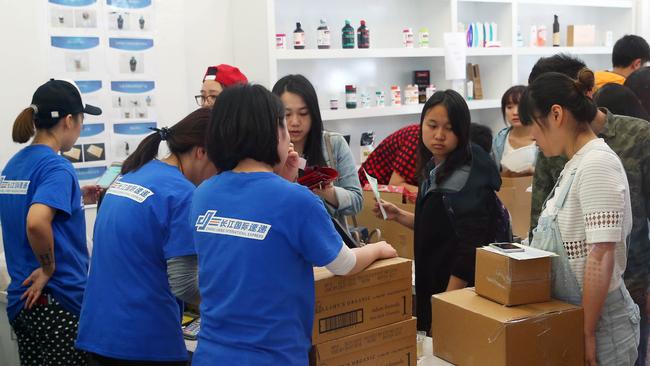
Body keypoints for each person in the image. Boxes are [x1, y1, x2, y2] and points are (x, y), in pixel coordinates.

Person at [189, 84, 397, 365]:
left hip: (211, 354)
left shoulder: (203, 193)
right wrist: (378, 249)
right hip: (273, 356)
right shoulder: (296, 200)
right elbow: (344, 264)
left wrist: (283, 181)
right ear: (275, 131)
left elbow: (249, 246)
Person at [527, 54, 650, 366]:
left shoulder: (597, 163)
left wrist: (587, 333)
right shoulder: (576, 162)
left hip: (601, 325)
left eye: (534, 124)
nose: (531, 136)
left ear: (556, 115)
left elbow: (601, 254)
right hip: (581, 317)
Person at [76, 108, 216, 365]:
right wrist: (231, 303)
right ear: (201, 152)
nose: (217, 176)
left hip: (100, 331)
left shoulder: (133, 173)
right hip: (142, 341)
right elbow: (184, 283)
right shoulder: (182, 193)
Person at [374, 90, 505, 333]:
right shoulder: (437, 166)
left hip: (456, 294)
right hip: (436, 285)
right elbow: (442, 226)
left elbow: (470, 249)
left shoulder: (467, 177)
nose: (439, 135)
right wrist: (399, 215)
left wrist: (446, 302)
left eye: (449, 128)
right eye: (432, 125)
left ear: (462, 131)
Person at [0, 79, 102, 365]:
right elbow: (35, 222)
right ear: (69, 121)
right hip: (58, 303)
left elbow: (24, 207)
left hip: (23, 304)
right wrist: (48, 267)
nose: (81, 128)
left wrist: (72, 197)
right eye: (82, 120)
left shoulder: (16, 164)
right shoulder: (57, 166)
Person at [272, 75, 362, 228]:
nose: (295, 122)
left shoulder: (333, 144)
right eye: (286, 115)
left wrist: (330, 193)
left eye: (303, 113)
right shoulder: (266, 150)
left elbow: (357, 201)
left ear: (313, 113)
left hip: (331, 244)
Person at [358, 124, 419, 191]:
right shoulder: (416, 141)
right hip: (371, 190)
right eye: (432, 126)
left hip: (383, 190)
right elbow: (395, 185)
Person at [492, 85, 537, 174]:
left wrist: (533, 171)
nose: (515, 112)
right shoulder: (499, 139)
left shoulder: (544, 137)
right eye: (509, 107)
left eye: (520, 107)